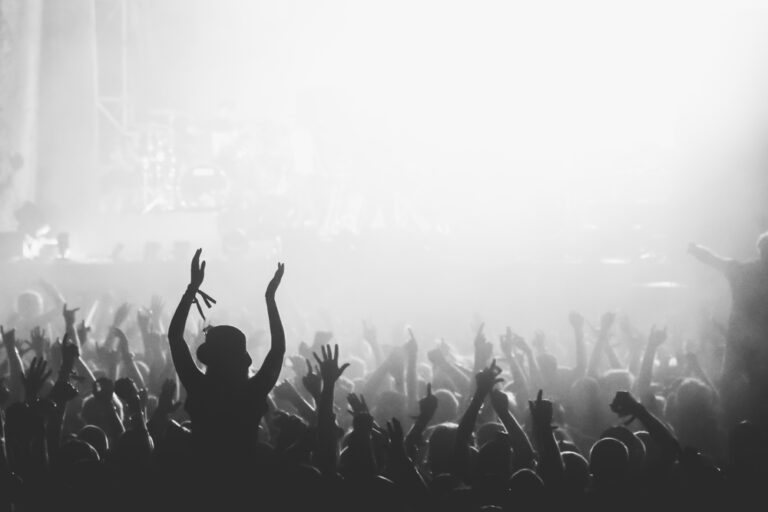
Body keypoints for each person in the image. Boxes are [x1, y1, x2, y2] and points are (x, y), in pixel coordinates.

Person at [167, 249, 285, 470]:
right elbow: (278, 350)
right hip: (243, 481)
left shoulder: (199, 386)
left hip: (201, 478)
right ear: (243, 359)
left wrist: (191, 289)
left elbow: (175, 338)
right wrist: (270, 299)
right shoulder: (253, 392)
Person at [689, 233, 768, 423]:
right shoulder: (741, 270)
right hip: (757, 339)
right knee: (757, 383)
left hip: (740, 337)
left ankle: (727, 419)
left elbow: (713, 260)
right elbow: (714, 259)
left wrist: (694, 249)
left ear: (760, 251)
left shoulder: (740, 270)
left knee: (730, 381)